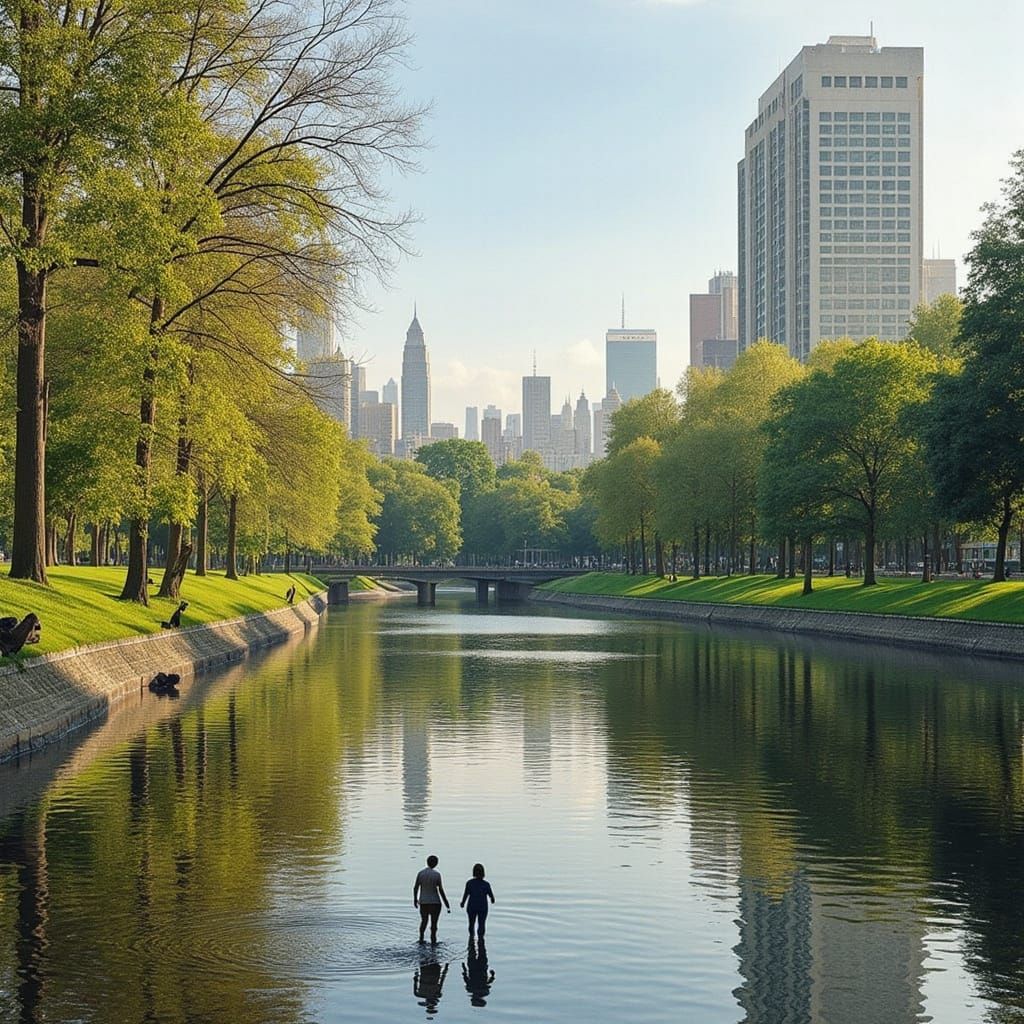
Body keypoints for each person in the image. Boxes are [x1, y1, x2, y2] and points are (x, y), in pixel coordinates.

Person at [413, 855, 450, 943]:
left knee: (424, 921)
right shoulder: (437, 875)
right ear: (436, 863)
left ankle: (421, 938)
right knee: (434, 924)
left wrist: (415, 899)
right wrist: (446, 903)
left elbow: (416, 887)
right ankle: (433, 940)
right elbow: (440, 890)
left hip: (424, 902)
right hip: (435, 903)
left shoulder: (421, 873)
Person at [459, 863, 495, 939]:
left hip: (472, 906)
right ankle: (481, 939)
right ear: (483, 873)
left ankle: (471, 938)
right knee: (482, 924)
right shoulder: (486, 884)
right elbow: (492, 897)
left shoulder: (469, 883)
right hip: (482, 907)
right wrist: (492, 900)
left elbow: (466, 894)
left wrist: (462, 903)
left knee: (471, 924)